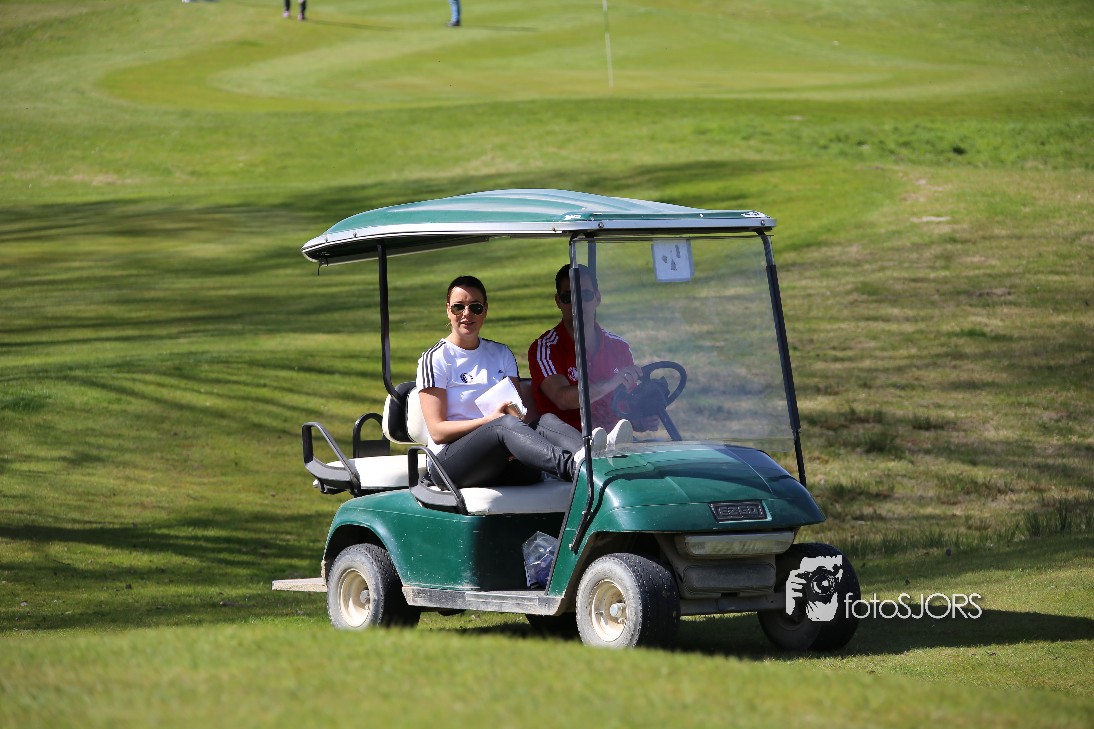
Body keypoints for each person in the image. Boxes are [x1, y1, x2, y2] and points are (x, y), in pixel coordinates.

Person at [417, 275, 603, 488]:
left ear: (485, 310)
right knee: (502, 425)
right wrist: (490, 421)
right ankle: (575, 468)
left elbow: (517, 413)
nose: (467, 314)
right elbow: (438, 432)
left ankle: (594, 457)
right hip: (449, 465)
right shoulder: (436, 359)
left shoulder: (501, 353)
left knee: (545, 421)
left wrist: (512, 430)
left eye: (475, 307)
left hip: (498, 458)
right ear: (448, 310)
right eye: (459, 307)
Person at [528, 264, 645, 441]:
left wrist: (643, 418)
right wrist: (611, 383)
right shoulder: (545, 348)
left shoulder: (619, 346)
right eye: (568, 297)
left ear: (597, 297)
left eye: (586, 295)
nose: (578, 303)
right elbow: (563, 399)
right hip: (567, 448)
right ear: (558, 301)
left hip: (616, 441)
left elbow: (628, 404)